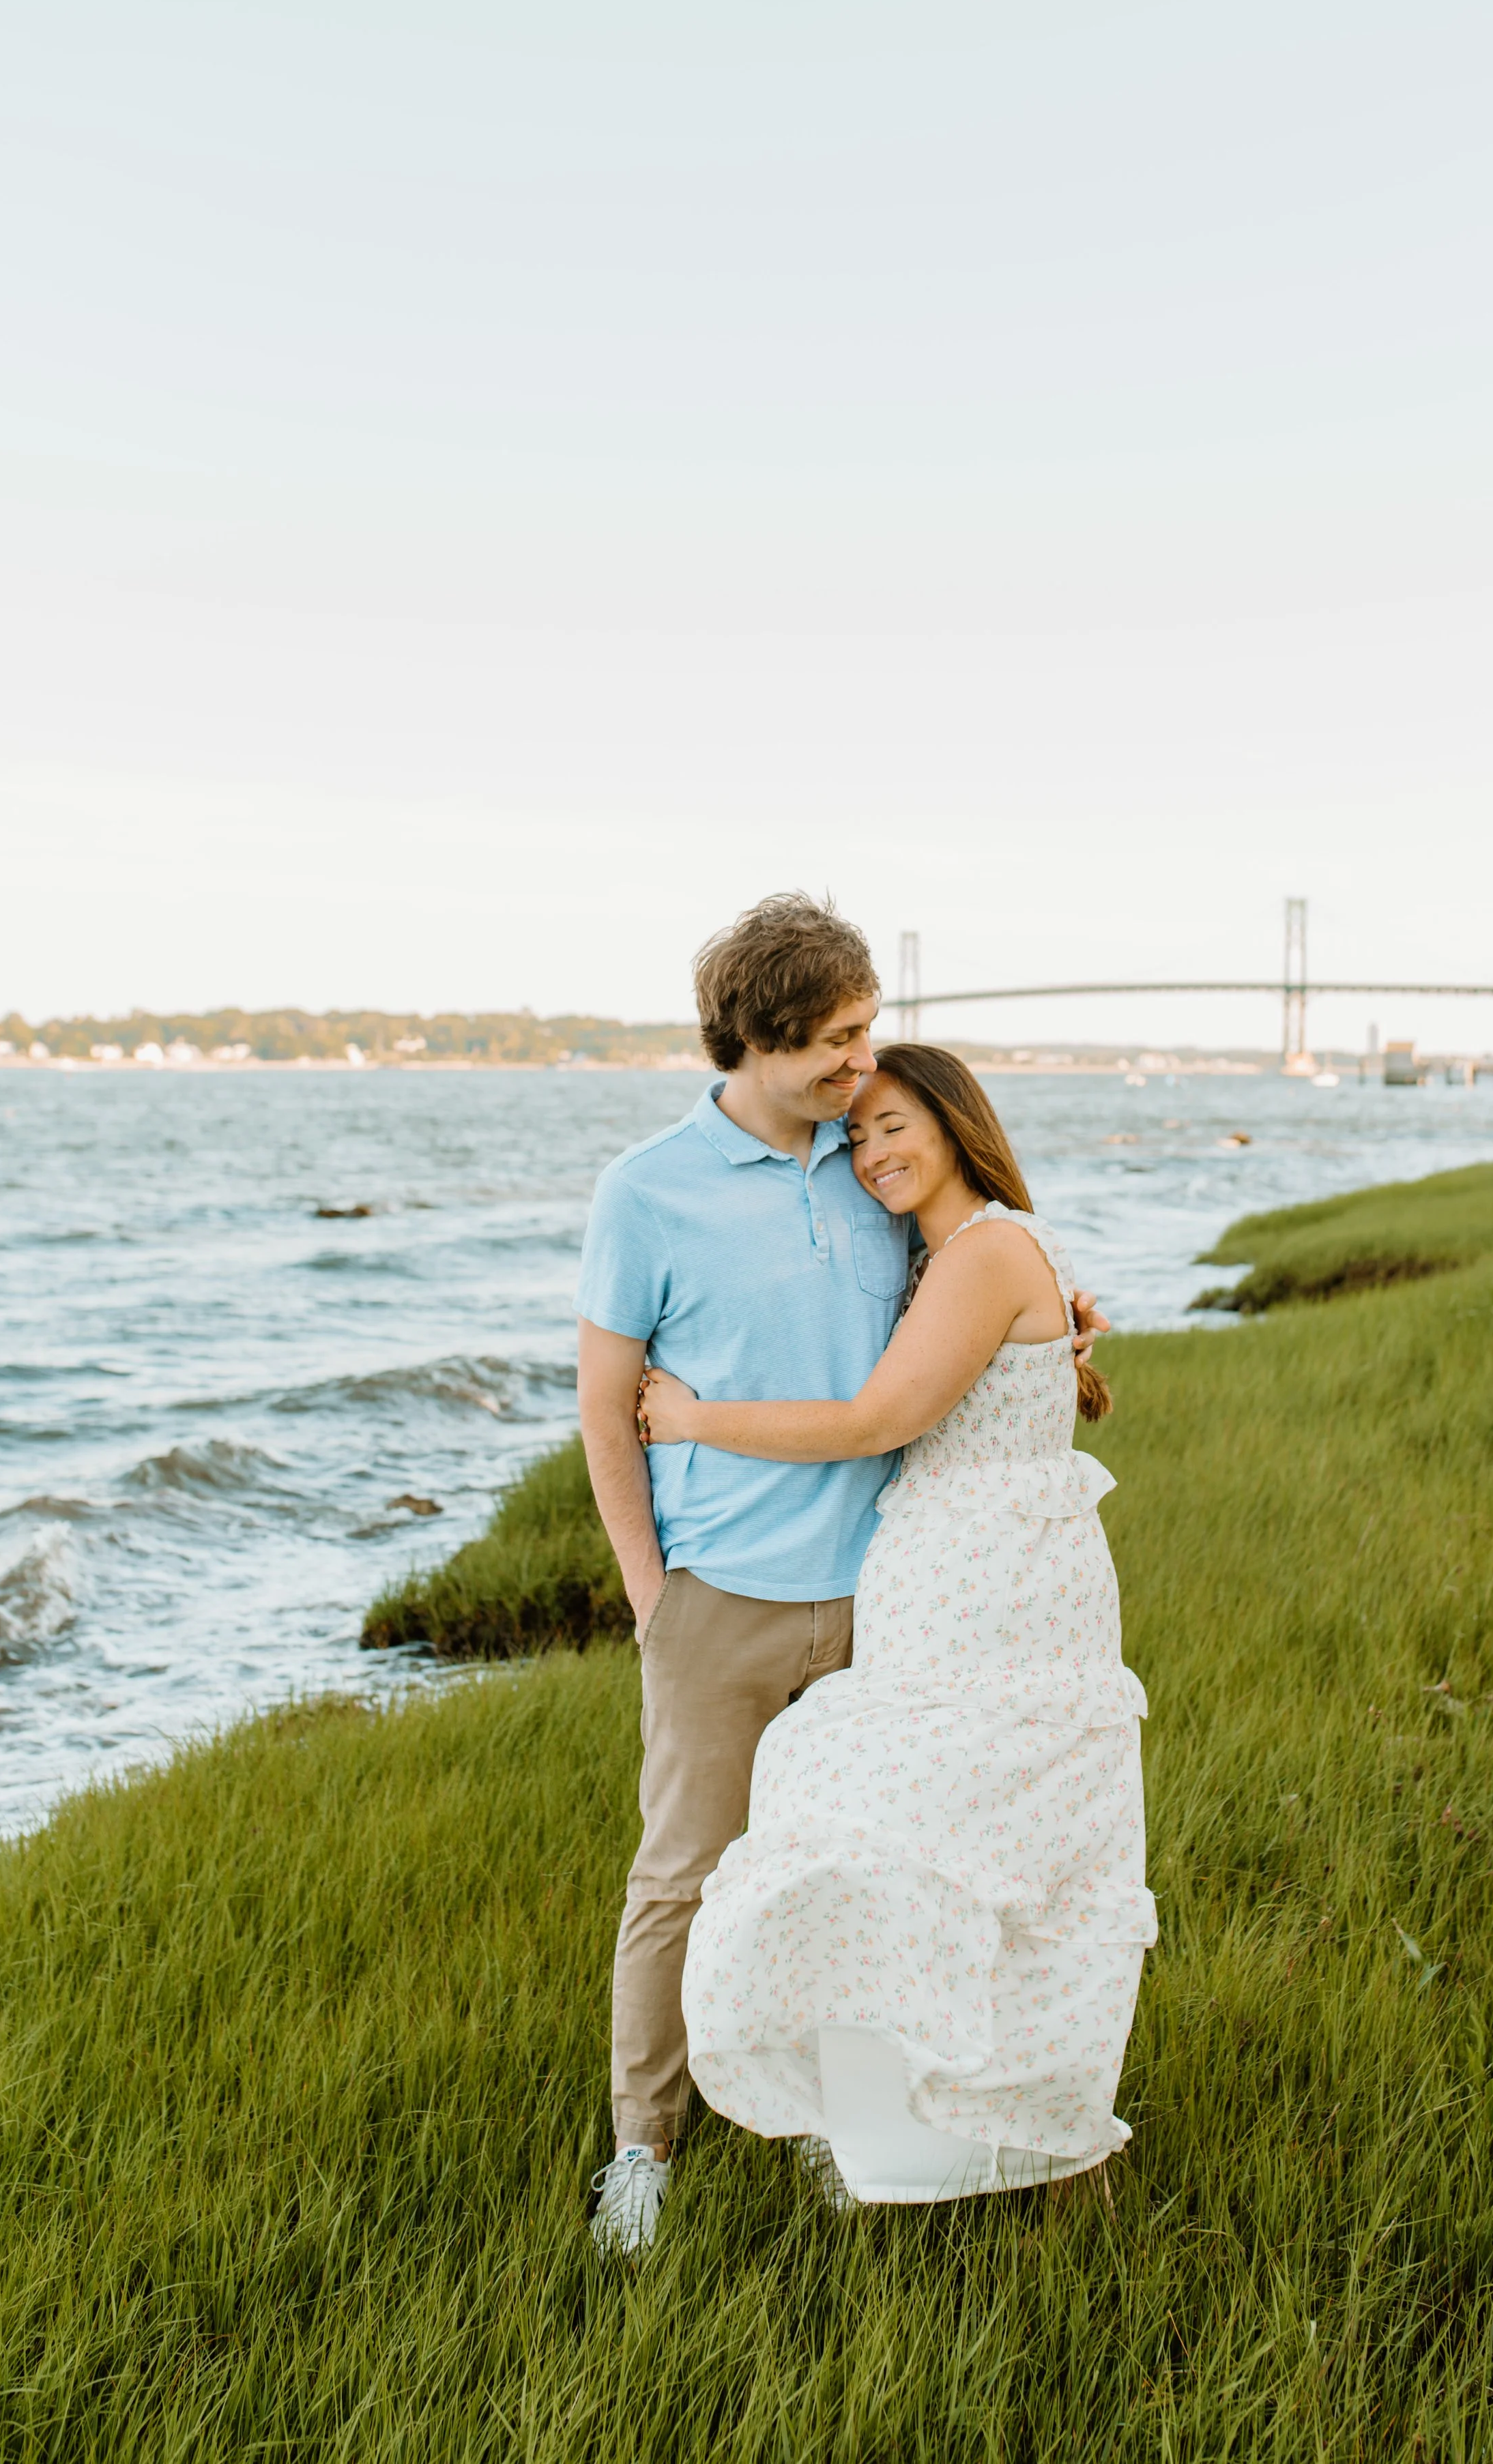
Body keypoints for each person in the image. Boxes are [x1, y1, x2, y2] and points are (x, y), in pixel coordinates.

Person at [574, 897, 1103, 2255]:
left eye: (867, 1035)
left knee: (860, 1869)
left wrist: (1065, 1324)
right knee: (683, 1877)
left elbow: (969, 1306)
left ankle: (835, 2121)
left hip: (888, 1601)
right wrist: (651, 1596)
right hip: (722, 1602)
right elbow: (604, 1406)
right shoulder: (645, 1192)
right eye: (838, 1040)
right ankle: (642, 2149)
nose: (862, 1067)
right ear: (757, 1036)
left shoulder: (866, 1169)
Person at [639, 1043, 1154, 2206]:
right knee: (968, 1849)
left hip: (996, 1592)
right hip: (964, 1582)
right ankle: (946, 2120)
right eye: (855, 1136)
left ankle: (991, 2128)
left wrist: (692, 1417)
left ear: (955, 1119)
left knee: (922, 1828)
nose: (873, 1153)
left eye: (893, 1125)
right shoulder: (966, 1256)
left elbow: (877, 1419)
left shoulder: (980, 1255)